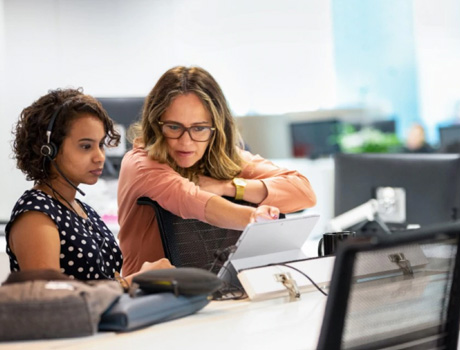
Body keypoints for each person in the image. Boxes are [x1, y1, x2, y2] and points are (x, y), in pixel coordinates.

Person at [118, 66, 317, 275]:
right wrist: (255, 218)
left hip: (223, 294)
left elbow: (303, 191)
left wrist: (229, 187)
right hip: (154, 296)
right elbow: (190, 199)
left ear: (216, 128)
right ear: (156, 125)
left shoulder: (226, 158)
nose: (186, 142)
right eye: (174, 127)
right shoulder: (141, 164)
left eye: (199, 128)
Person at [6, 88, 172, 284]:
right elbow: (50, 301)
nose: (100, 157)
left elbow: (110, 283)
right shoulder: (35, 215)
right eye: (86, 146)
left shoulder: (84, 211)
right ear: (49, 149)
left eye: (101, 145)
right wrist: (136, 280)